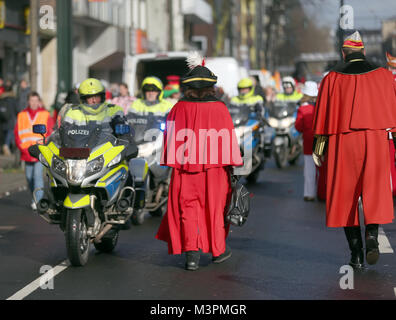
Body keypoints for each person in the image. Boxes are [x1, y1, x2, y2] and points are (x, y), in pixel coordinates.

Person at [312, 31, 396, 269]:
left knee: (345, 197)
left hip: (342, 141)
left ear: (343, 53)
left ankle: (356, 254)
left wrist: (319, 148)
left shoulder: (331, 78)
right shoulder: (383, 75)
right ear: (364, 51)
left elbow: (322, 118)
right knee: (375, 190)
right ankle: (372, 236)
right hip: (374, 138)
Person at [156, 52, 243, 271]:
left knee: (188, 210)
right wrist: (234, 170)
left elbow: (169, 140)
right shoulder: (220, 108)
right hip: (214, 171)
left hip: (184, 170)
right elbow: (229, 143)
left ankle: (191, 256)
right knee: (214, 210)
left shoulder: (178, 108)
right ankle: (217, 250)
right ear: (211, 87)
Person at [14, 92, 53, 210]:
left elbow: (50, 133)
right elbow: (17, 134)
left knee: (37, 176)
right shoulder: (22, 115)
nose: (34, 103)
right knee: (29, 177)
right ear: (28, 101)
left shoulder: (45, 114)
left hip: (39, 151)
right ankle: (35, 197)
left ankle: (38, 202)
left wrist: (45, 147)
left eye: (36, 100)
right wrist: (23, 149)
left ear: (39, 101)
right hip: (26, 152)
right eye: (32, 100)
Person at [295, 81, 318, 202]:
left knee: (309, 169)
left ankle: (310, 194)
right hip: (321, 140)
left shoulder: (302, 108)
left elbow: (298, 126)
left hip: (308, 141)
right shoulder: (321, 105)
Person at [0, 81, 18, 155]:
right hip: (11, 119)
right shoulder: (13, 99)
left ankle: (5, 146)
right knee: (10, 133)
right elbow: (17, 109)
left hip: (2, 119)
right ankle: (6, 146)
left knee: (4, 134)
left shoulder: (1, 98)